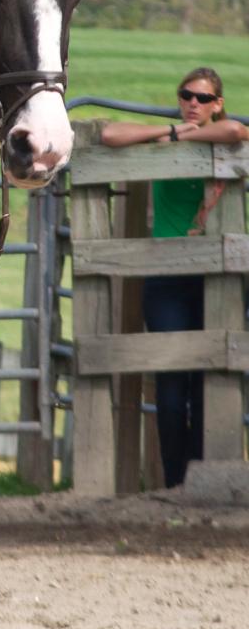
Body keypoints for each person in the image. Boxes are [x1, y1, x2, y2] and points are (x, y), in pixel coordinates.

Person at [101, 68, 249, 487]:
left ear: (217, 102)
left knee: (210, 375)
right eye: (186, 96)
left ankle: (204, 475)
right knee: (169, 378)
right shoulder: (165, 133)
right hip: (166, 273)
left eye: (203, 98)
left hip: (215, 275)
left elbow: (236, 132)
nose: (193, 104)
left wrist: (182, 136)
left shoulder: (220, 136)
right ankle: (175, 481)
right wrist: (169, 130)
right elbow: (110, 135)